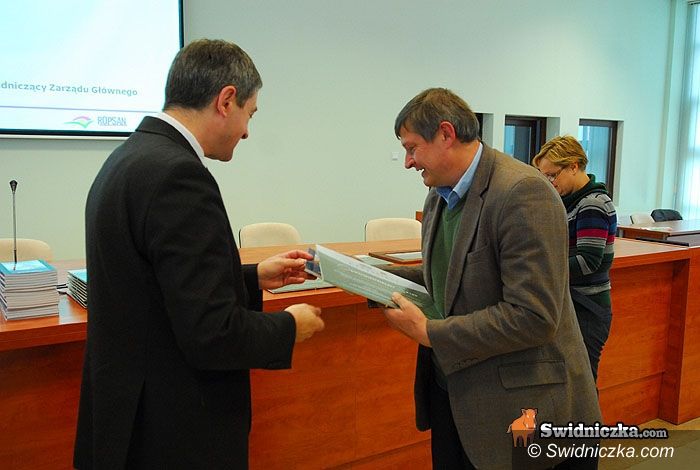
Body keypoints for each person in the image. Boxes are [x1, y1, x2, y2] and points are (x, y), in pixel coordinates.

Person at [73, 39, 325, 469]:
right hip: (172, 432)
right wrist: (288, 327)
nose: (247, 132)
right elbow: (211, 334)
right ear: (226, 100)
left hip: (126, 420)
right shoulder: (179, 176)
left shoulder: (129, 158)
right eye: (250, 114)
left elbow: (155, 287)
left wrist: (251, 277)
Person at [382, 88, 601, 469]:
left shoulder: (522, 192)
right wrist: (370, 278)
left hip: (523, 408)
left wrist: (430, 332)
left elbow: (533, 317)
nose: (407, 162)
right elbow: (448, 277)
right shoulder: (439, 194)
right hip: (457, 399)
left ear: (446, 134)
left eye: (412, 147)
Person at [532, 136, 617, 382]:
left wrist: (542, 270)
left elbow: (588, 261)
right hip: (573, 304)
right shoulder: (569, 202)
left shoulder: (592, 204)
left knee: (583, 385)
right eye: (544, 176)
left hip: (588, 308)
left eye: (552, 175)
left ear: (573, 166)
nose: (549, 182)